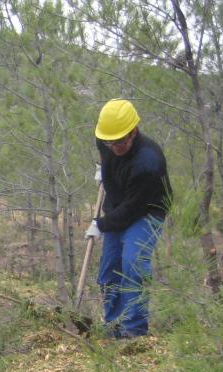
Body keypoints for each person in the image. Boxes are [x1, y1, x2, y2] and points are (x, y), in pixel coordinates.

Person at [86, 99, 172, 338]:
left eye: (120, 141)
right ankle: (113, 327)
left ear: (133, 132)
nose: (114, 147)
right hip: (117, 207)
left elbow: (132, 209)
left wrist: (100, 224)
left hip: (145, 211)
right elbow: (107, 154)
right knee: (109, 270)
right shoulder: (106, 140)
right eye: (109, 142)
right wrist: (103, 170)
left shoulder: (148, 162)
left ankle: (134, 331)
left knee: (132, 266)